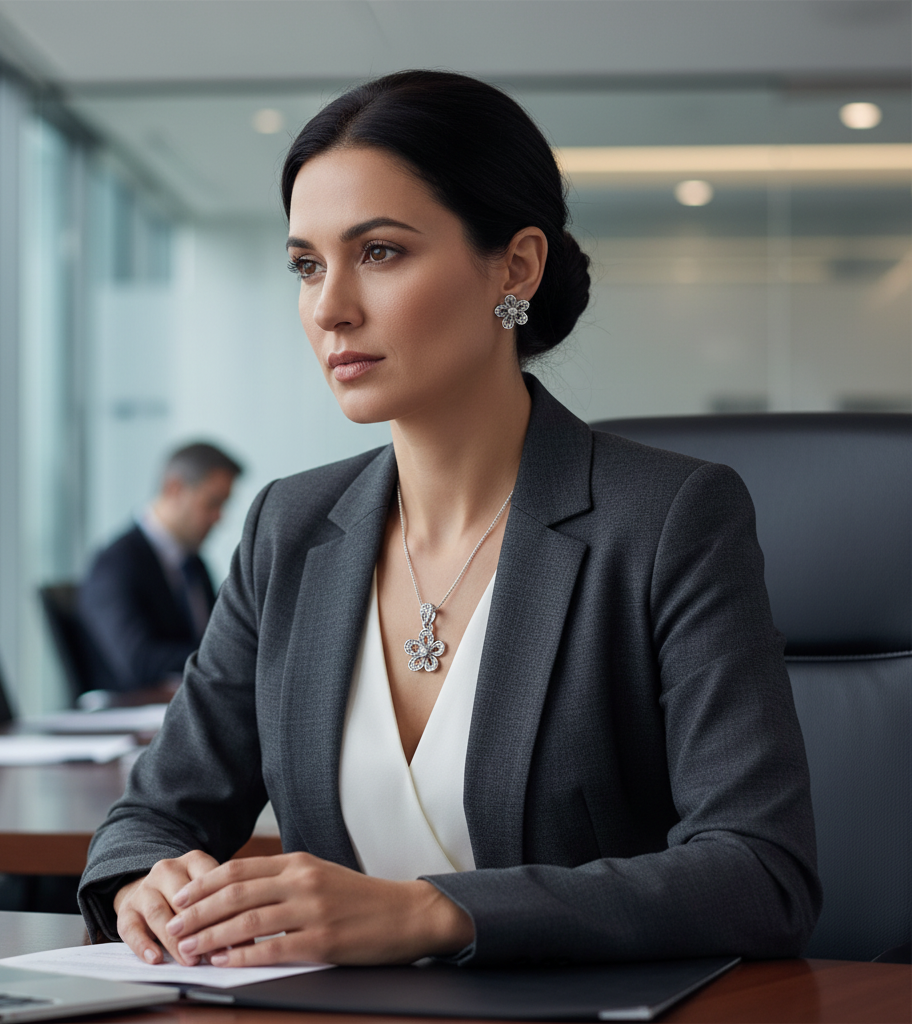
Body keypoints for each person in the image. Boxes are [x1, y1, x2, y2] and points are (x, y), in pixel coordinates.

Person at [79, 71, 820, 967]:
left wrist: (432, 914)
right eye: (307, 264)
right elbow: (155, 813)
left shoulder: (667, 519)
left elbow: (760, 873)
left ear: (516, 266)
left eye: (380, 252)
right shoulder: (290, 525)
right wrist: (141, 881)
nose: (328, 307)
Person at [78, 442, 241, 692]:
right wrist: (229, 655)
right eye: (212, 503)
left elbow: (212, 633)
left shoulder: (194, 564)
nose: (218, 518)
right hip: (131, 714)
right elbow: (138, 661)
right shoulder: (115, 564)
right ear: (174, 489)